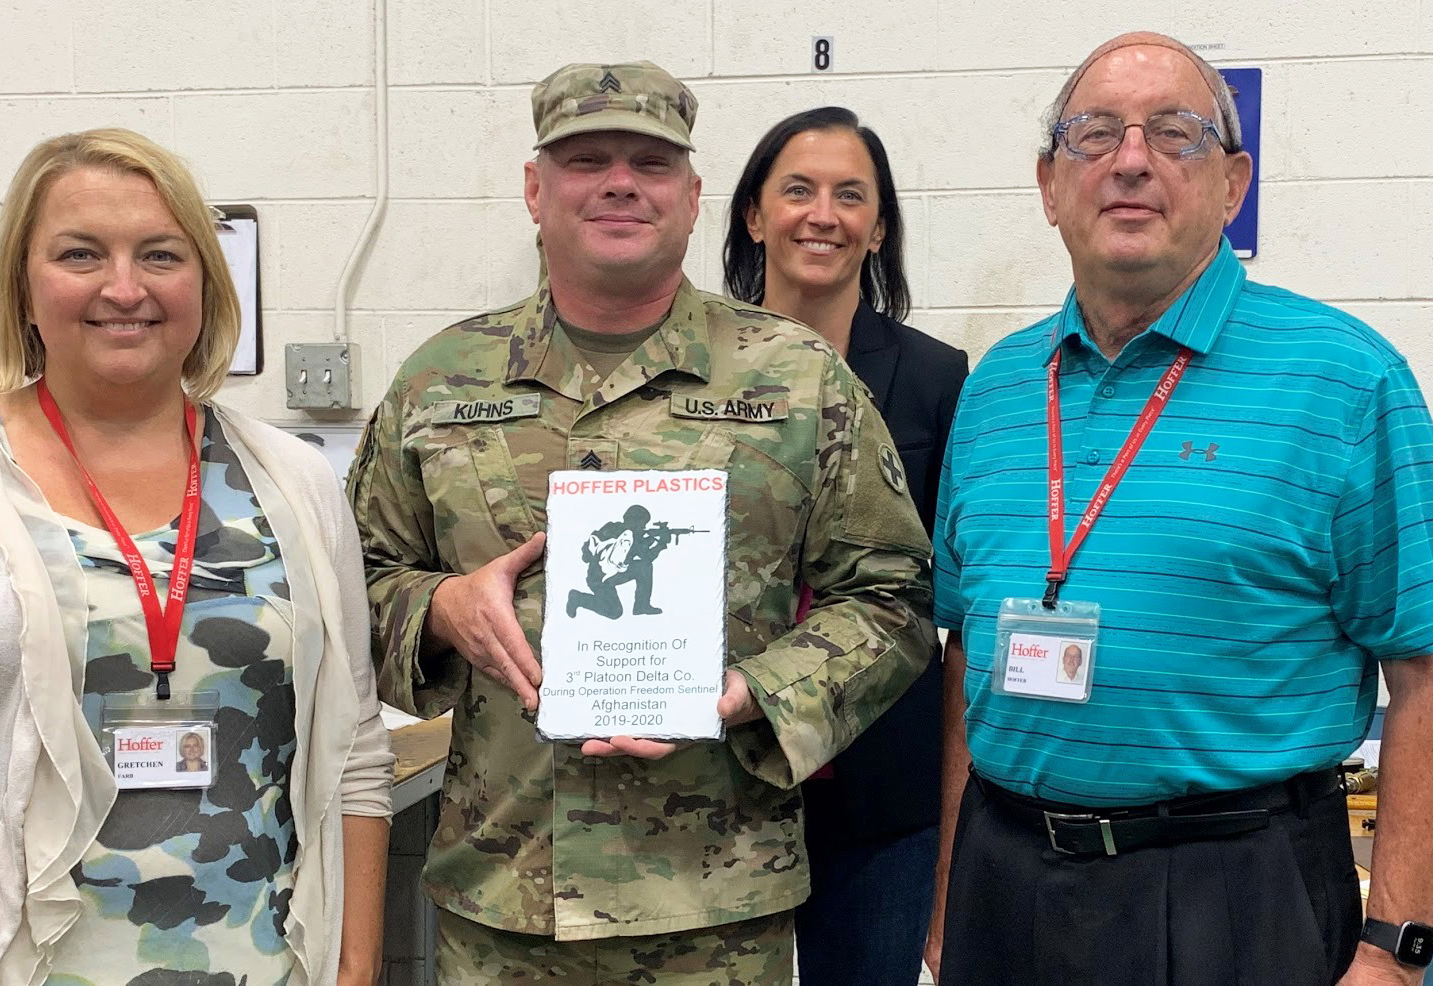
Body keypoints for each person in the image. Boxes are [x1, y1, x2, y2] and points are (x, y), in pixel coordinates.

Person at [348, 61, 937, 983]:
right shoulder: (439, 381)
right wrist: (443, 611)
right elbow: (355, 585)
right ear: (535, 191)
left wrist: (754, 694)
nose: (620, 182)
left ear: (695, 196)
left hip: (715, 912)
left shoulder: (798, 380)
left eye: (650, 164)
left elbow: (894, 598)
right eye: (586, 159)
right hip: (502, 905)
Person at [926, 32, 1433, 986]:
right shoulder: (996, 389)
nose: (1129, 160)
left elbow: (1426, 673)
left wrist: (1398, 945)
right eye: (1093, 135)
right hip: (1006, 883)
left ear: (1233, 185)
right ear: (1046, 184)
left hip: (1235, 897)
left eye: (1176, 134)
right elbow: (966, 655)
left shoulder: (1346, 380)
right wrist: (953, 888)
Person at [0, 128, 395, 986]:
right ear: (24, 285)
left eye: (161, 254)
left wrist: (356, 965)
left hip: (265, 963)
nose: (123, 288)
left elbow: (353, 746)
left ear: (207, 283)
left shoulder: (296, 482)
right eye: (80, 253)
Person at [722, 106, 967, 985]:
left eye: (849, 195)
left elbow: (947, 606)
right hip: (717, 777)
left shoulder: (939, 378)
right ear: (755, 215)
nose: (821, 214)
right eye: (797, 190)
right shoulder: (691, 368)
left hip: (880, 794)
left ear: (879, 227)